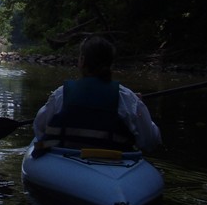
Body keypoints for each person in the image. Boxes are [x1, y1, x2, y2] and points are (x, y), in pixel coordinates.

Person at [32, 35, 161, 152]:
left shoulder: (61, 94)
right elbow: (150, 142)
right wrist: (139, 106)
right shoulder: (128, 99)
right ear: (111, 64)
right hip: (115, 165)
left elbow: (39, 128)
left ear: (82, 61)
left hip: (64, 159)